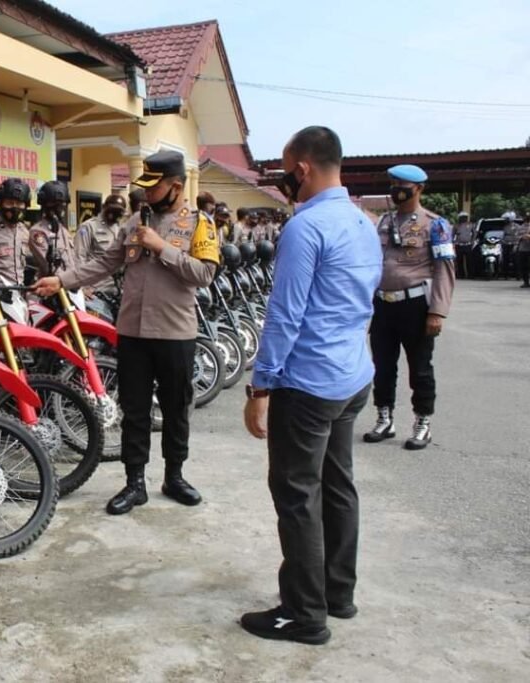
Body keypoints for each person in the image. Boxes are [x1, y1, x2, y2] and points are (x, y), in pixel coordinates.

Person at [241, 125, 382, 646]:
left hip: (310, 383)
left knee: (298, 495)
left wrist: (261, 389)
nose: (284, 178)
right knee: (338, 485)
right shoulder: (364, 222)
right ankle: (337, 593)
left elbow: (284, 316)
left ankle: (304, 613)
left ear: (301, 169)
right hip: (351, 376)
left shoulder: (306, 228)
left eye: (285, 168)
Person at [32, 150, 219, 515]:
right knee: (133, 410)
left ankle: (174, 476)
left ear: (176, 186)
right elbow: (104, 262)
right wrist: (62, 281)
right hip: (133, 332)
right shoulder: (135, 222)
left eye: (155, 186)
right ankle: (135, 483)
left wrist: (161, 247)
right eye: (144, 186)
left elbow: (204, 274)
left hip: (175, 334)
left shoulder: (199, 223)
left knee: (175, 408)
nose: (146, 193)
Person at [363, 164, 455, 449]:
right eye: (393, 184)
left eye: (402, 185)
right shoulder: (384, 223)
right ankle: (384, 418)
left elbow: (444, 269)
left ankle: (422, 422)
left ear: (419, 188)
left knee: (420, 369)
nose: (396, 190)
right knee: (383, 366)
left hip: (415, 306)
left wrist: (437, 311)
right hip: (383, 305)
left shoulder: (435, 224)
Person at [0, 178, 31, 285]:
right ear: (0, 204)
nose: (15, 207)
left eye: (19, 203)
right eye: (10, 203)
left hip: (19, 295)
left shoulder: (26, 232)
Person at [74, 193, 126, 296]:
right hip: (95, 289)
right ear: (104, 207)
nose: (115, 214)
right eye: (113, 210)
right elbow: (79, 257)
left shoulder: (121, 228)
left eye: (119, 212)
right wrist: (82, 287)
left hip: (116, 288)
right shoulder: (88, 227)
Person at [28, 181, 76, 277]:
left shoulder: (63, 230)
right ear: (45, 204)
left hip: (71, 285)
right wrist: (68, 282)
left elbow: (73, 260)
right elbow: (48, 266)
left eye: (62, 203)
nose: (59, 207)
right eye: (54, 203)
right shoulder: (37, 232)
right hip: (53, 286)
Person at [453, 211, 475, 279]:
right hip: (459, 245)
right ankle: (461, 275)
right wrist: (452, 242)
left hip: (468, 245)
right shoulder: (456, 226)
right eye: (463, 217)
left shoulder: (471, 225)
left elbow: (474, 234)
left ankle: (470, 275)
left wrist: (472, 241)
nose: (464, 219)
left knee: (469, 261)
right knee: (459, 261)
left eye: (465, 217)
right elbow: (452, 234)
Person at [516, 218, 530, 288]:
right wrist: (522, 237)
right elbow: (516, 236)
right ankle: (526, 282)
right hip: (523, 249)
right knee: (524, 266)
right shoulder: (520, 228)